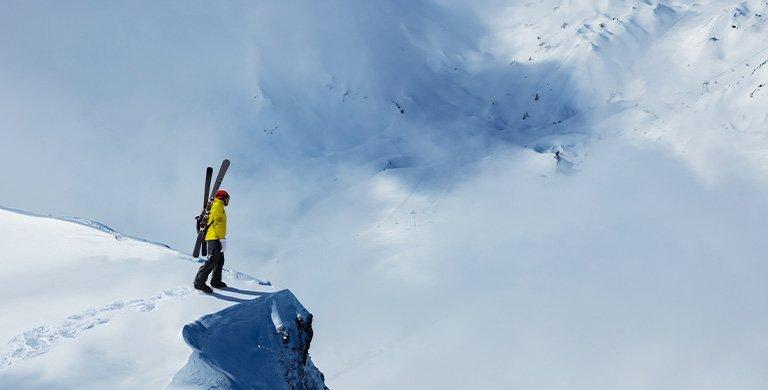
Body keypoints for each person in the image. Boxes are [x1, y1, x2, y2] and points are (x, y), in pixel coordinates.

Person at [194, 189, 230, 293]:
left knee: (219, 260)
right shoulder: (217, 206)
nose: (228, 201)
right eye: (227, 198)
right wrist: (222, 239)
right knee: (212, 260)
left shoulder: (220, 207)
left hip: (217, 236)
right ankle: (199, 282)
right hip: (214, 237)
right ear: (223, 198)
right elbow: (218, 224)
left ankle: (216, 281)